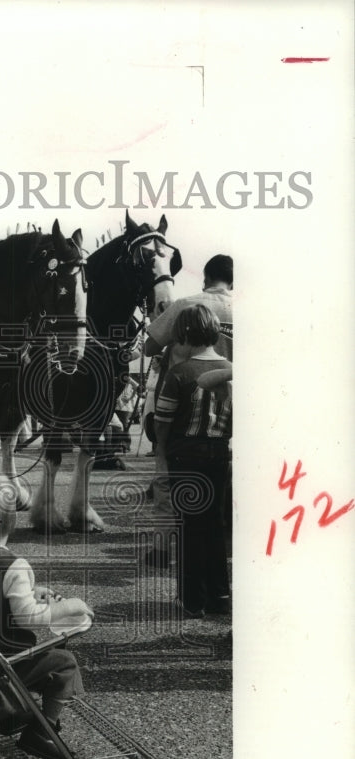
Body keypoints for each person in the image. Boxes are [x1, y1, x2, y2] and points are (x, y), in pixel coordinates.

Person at [0, 471, 92, 759]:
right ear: (12, 520)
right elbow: (29, 618)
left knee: (48, 656)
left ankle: (15, 714)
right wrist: (68, 606)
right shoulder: (13, 565)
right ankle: (43, 732)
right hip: (3, 664)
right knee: (64, 664)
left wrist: (31, 591)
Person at [139, 255, 233, 568]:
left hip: (182, 402)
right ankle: (223, 548)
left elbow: (149, 347)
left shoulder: (185, 304)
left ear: (205, 276)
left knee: (166, 472)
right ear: (232, 281)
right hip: (230, 406)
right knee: (224, 479)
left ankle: (163, 548)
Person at [153, 303, 233, 617]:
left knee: (188, 528)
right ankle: (220, 596)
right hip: (219, 456)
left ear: (185, 335)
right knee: (215, 525)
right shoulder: (230, 367)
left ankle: (191, 599)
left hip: (185, 458)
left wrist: (161, 452)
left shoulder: (179, 374)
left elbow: (163, 421)